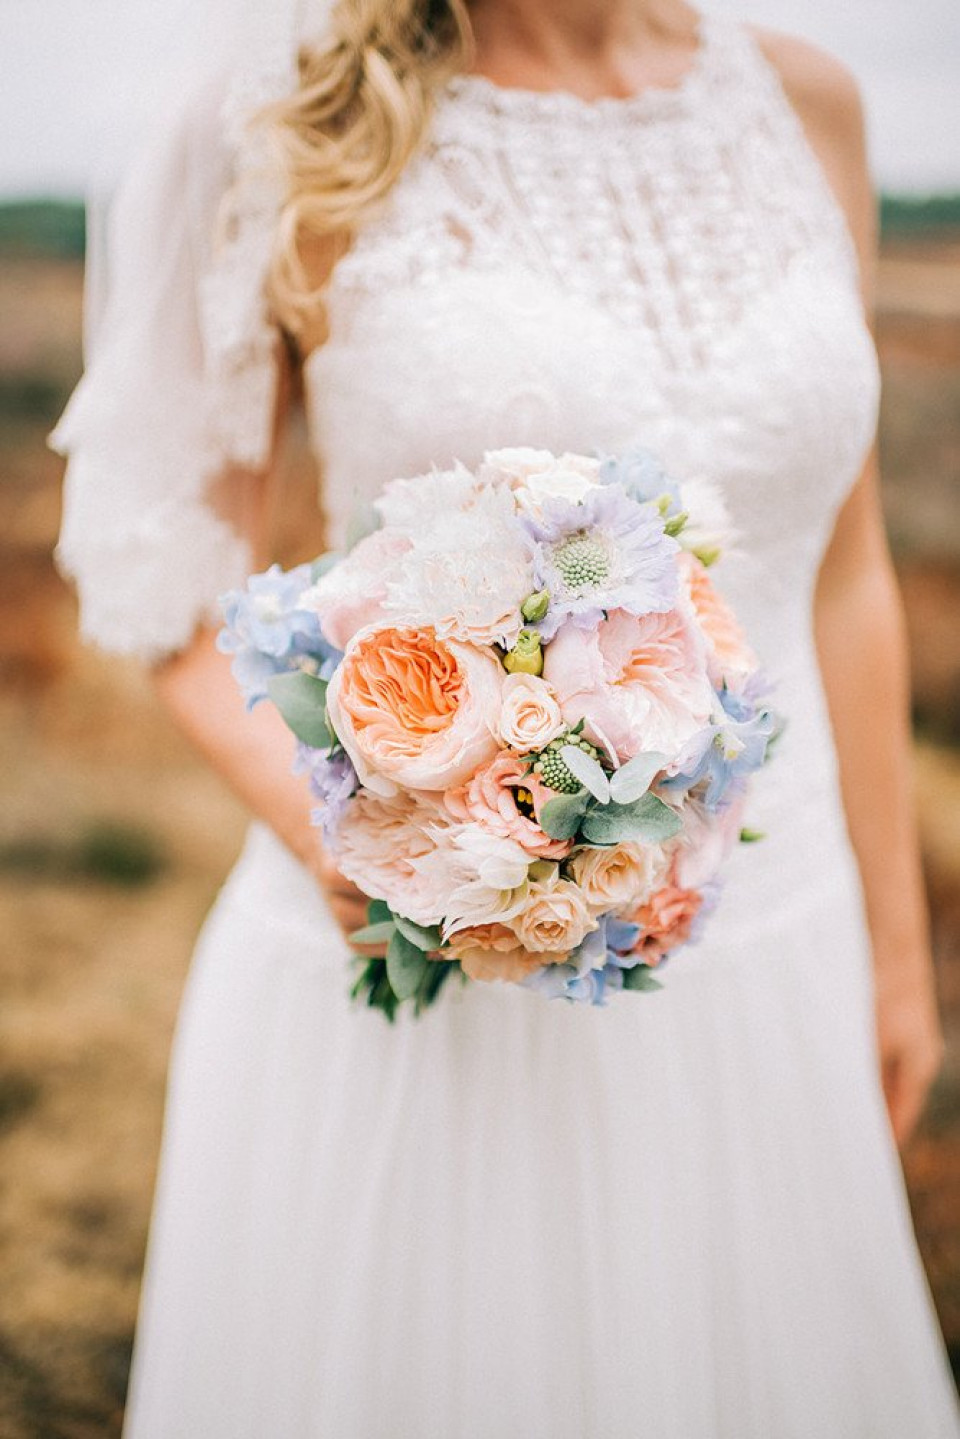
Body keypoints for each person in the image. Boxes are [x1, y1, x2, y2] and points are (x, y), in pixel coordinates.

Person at [51, 0, 960, 1434]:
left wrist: (899, 960)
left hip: (780, 944)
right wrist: (408, 857)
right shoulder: (288, 116)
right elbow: (162, 573)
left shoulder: (810, 101)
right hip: (433, 980)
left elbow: (840, 568)